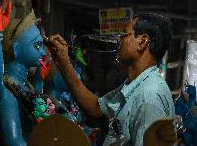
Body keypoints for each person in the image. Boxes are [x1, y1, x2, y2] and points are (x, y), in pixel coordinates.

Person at [45, 14, 175, 146]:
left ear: (142, 42)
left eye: (125, 35)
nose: (119, 40)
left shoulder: (148, 96)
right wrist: (64, 63)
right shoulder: (136, 84)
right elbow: (96, 109)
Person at [0, 0, 46, 145]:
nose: (43, 51)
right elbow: (14, 141)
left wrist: (39, 80)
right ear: (16, 50)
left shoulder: (24, 86)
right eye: (37, 45)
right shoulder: (9, 91)